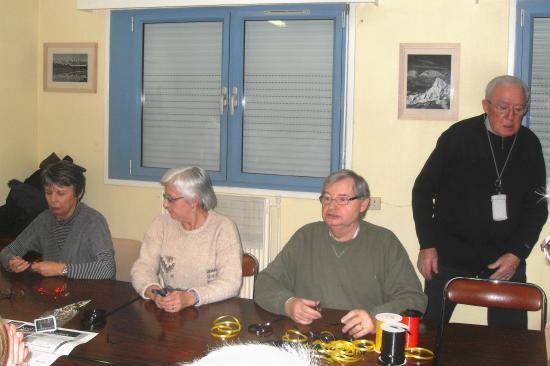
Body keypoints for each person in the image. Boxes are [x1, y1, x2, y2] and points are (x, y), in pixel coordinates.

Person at [412, 75, 548, 328]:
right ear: (486, 105)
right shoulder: (458, 137)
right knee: (428, 331)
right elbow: (422, 191)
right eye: (503, 107)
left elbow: (538, 207)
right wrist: (427, 244)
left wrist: (518, 253)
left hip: (505, 258)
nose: (510, 116)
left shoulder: (529, 144)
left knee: (510, 341)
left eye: (519, 110)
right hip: (450, 253)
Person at [254, 169, 427, 338]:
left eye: (342, 199)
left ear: (363, 204)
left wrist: (376, 318)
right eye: (327, 198)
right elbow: (265, 283)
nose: (331, 206)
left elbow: (414, 298)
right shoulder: (306, 237)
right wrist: (288, 304)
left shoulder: (384, 242)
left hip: (362, 339)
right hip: (308, 336)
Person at [131, 166, 242, 312]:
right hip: (170, 313)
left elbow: (231, 282)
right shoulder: (161, 224)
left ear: (194, 201)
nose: (165, 204)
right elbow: (142, 267)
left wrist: (190, 297)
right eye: (165, 197)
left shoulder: (223, 228)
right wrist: (155, 293)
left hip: (211, 313)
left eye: (171, 199)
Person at [0, 161, 116, 279]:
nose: (53, 200)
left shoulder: (93, 221)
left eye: (61, 193)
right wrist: (11, 262)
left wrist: (62, 269)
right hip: (56, 293)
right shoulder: (44, 220)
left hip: (93, 293)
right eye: (48, 193)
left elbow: (107, 268)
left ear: (79, 193)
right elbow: (7, 251)